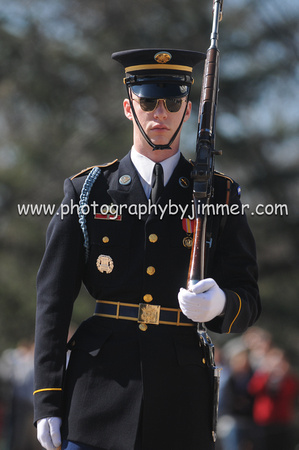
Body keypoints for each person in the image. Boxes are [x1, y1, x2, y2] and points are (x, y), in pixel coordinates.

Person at [33, 48, 261, 450]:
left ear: (187, 111)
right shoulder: (89, 190)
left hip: (180, 403)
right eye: (148, 101)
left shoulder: (219, 194)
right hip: (98, 394)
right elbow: (53, 301)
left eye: (173, 102)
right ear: (128, 107)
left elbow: (248, 295)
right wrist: (46, 399)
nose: (161, 113)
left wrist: (222, 305)